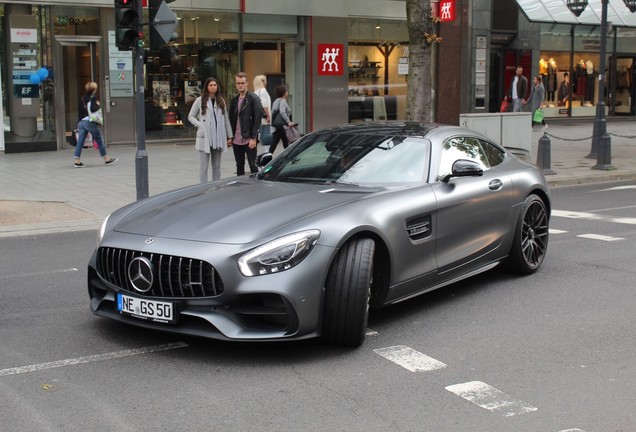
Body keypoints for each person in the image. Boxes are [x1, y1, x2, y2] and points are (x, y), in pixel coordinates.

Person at [188, 77, 233, 182]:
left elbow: (226, 119)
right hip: (205, 137)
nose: (213, 87)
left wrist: (230, 136)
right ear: (207, 87)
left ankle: (216, 188)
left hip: (218, 137)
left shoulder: (221, 101)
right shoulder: (200, 100)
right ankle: (203, 189)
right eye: (211, 85)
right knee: (204, 167)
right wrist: (200, 125)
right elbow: (191, 116)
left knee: (216, 166)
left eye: (215, 85)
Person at [73, 81, 117, 168]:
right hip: (89, 122)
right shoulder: (92, 97)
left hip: (81, 122)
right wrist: (99, 105)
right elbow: (93, 109)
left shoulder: (82, 98)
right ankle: (106, 159)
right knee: (99, 139)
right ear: (94, 89)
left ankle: (77, 161)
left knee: (80, 141)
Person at [228, 72, 263, 175]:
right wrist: (230, 137)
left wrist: (253, 138)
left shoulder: (253, 98)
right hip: (236, 140)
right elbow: (231, 119)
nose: (240, 85)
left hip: (249, 139)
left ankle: (255, 188)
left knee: (253, 166)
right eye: (238, 83)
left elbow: (257, 119)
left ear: (247, 83)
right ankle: (240, 189)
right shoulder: (234, 100)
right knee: (239, 166)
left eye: (242, 83)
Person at [269, 85, 295, 154]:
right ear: (284, 92)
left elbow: (273, 113)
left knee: (284, 142)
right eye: (286, 91)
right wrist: (289, 122)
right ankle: (267, 158)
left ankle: (290, 157)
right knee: (279, 142)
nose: (287, 92)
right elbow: (282, 112)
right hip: (281, 125)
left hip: (277, 126)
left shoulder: (275, 101)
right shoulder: (283, 100)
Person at [253, 74, 272, 152]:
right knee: (266, 134)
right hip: (264, 117)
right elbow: (265, 105)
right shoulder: (263, 90)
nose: (266, 82)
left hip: (258, 116)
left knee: (259, 134)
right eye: (264, 80)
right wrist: (268, 115)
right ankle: (267, 152)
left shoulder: (256, 91)